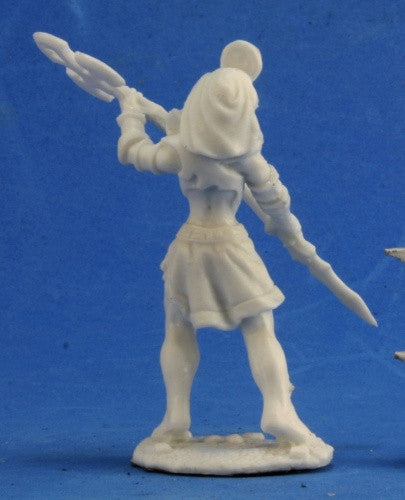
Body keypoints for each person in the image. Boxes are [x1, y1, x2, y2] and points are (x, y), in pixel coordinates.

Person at [116, 41, 315, 445]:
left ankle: (176, 416)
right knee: (260, 329)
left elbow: (134, 153)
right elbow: (277, 203)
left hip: (189, 245)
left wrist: (131, 116)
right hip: (230, 245)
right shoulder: (248, 158)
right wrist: (289, 232)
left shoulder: (178, 150)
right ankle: (277, 407)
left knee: (178, 330)